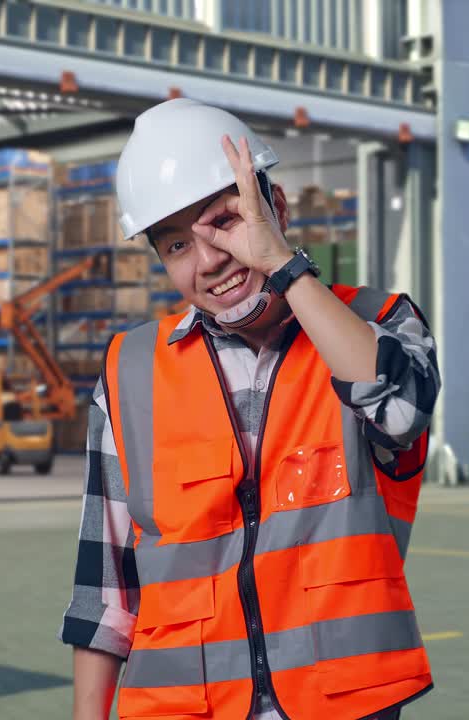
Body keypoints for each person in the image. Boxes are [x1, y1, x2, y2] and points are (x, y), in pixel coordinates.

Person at [58, 99, 442, 720]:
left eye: (225, 222)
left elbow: (398, 411)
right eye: (178, 244)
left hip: (338, 704)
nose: (208, 258)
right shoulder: (129, 370)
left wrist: (284, 269)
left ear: (276, 208)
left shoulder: (378, 324)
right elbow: (106, 591)